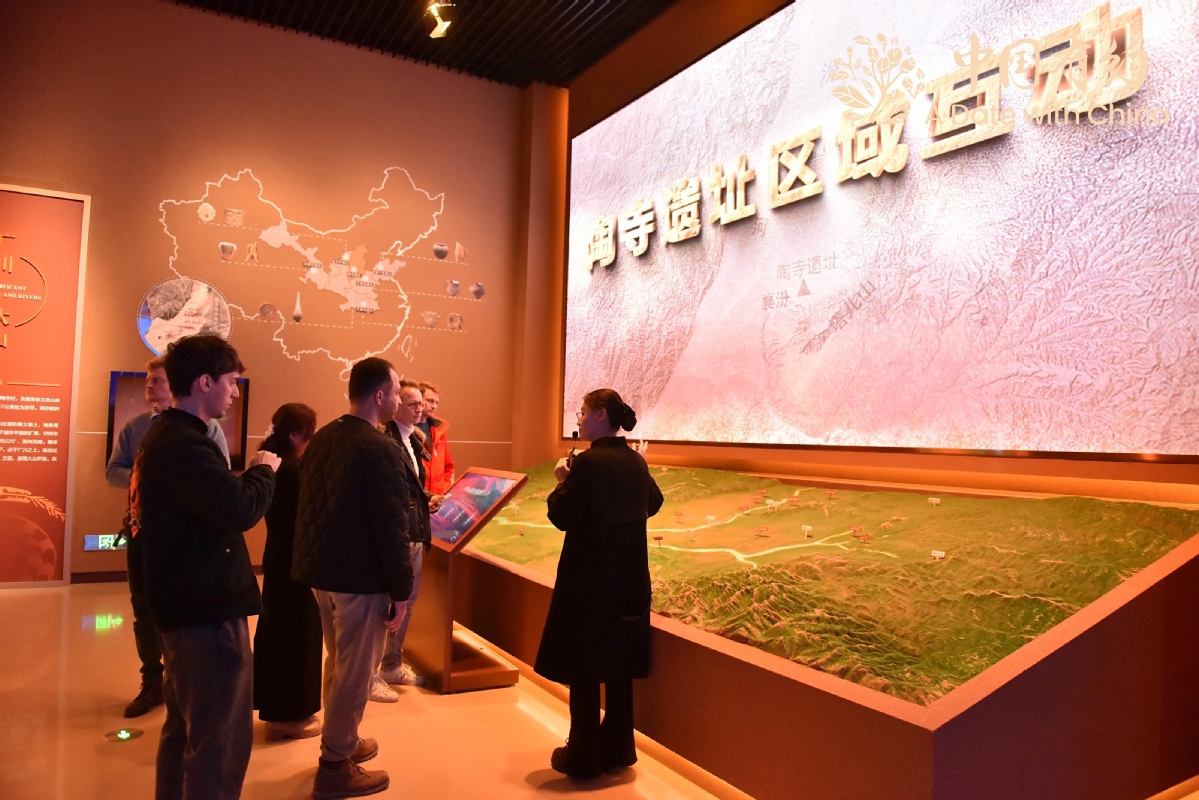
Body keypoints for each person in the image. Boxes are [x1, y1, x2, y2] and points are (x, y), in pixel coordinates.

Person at [128, 335, 280, 800]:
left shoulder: (171, 437)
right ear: (205, 382)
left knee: (186, 729)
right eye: (231, 381)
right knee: (219, 738)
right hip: (206, 613)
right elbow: (237, 508)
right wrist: (263, 469)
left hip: (187, 608)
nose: (235, 392)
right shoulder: (182, 444)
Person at [293, 357, 414, 799]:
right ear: (379, 396)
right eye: (396, 392)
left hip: (323, 573)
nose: (398, 399)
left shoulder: (325, 436)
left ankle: (341, 738)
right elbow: (391, 525)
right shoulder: (379, 448)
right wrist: (401, 590)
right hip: (359, 578)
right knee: (356, 673)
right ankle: (334, 765)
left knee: (340, 663)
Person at [534, 388, 663, 782]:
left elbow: (561, 515)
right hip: (630, 581)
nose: (578, 419)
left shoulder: (588, 463)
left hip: (590, 582)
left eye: (583, 412)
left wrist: (561, 481)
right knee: (620, 668)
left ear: (601, 415)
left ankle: (583, 755)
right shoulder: (635, 461)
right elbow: (654, 503)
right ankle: (619, 748)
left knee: (585, 670)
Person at [105, 357, 232, 718]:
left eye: (157, 381)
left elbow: (220, 476)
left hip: (184, 538)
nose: (150, 386)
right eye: (148, 381)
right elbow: (113, 471)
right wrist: (149, 474)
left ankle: (181, 682)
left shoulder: (209, 429)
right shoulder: (134, 428)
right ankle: (152, 682)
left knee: (182, 611)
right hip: (140, 530)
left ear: (174, 385)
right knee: (143, 609)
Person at [370, 380, 443, 701]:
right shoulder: (383, 440)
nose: (420, 409)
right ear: (395, 404)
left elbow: (410, 485)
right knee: (384, 605)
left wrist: (426, 498)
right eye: (412, 403)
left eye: (421, 404)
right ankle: (370, 673)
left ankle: (391, 664)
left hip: (413, 531)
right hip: (394, 534)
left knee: (408, 603)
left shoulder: (415, 439)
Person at [253, 403, 322, 740]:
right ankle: (289, 717)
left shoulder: (274, 462)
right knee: (297, 637)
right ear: (297, 435)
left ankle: (279, 711)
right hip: (295, 563)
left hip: (279, 559)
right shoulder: (292, 472)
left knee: (280, 633)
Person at [416, 381, 454, 494]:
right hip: (418, 497)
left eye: (436, 402)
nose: (434, 406)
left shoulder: (439, 429)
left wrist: (444, 491)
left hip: (438, 497)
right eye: (430, 401)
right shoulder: (406, 428)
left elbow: (448, 467)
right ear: (418, 400)